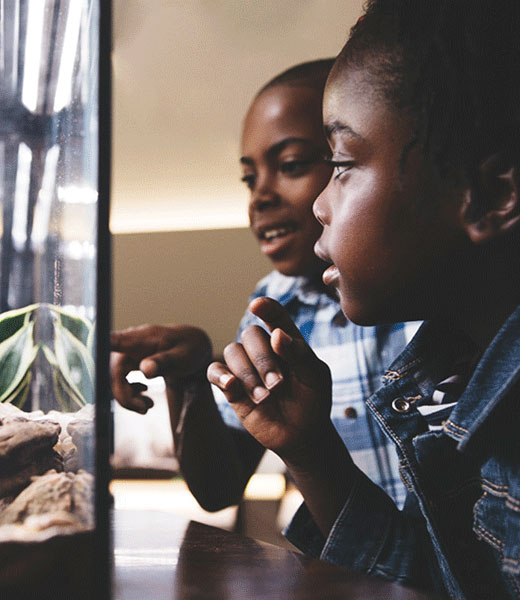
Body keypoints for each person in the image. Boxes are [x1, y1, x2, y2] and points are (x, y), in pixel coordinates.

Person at [207, 1, 520, 598]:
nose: (318, 207)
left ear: (492, 194)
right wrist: (314, 455)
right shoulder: (456, 368)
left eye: (340, 165)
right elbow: (442, 586)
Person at [111, 59, 414, 514]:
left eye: (290, 164)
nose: (260, 196)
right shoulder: (273, 308)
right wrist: (190, 379)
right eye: (250, 179)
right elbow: (218, 491)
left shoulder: (422, 289)